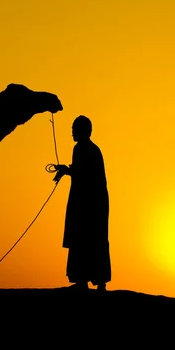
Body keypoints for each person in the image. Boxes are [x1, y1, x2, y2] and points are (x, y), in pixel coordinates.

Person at [53, 115, 111, 291]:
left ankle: (86, 281)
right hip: (92, 202)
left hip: (89, 204)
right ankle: (90, 281)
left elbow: (85, 175)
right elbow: (81, 172)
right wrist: (67, 171)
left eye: (74, 129)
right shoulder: (89, 149)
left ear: (83, 131)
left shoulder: (82, 149)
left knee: (87, 238)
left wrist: (67, 171)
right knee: (92, 240)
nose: (72, 132)